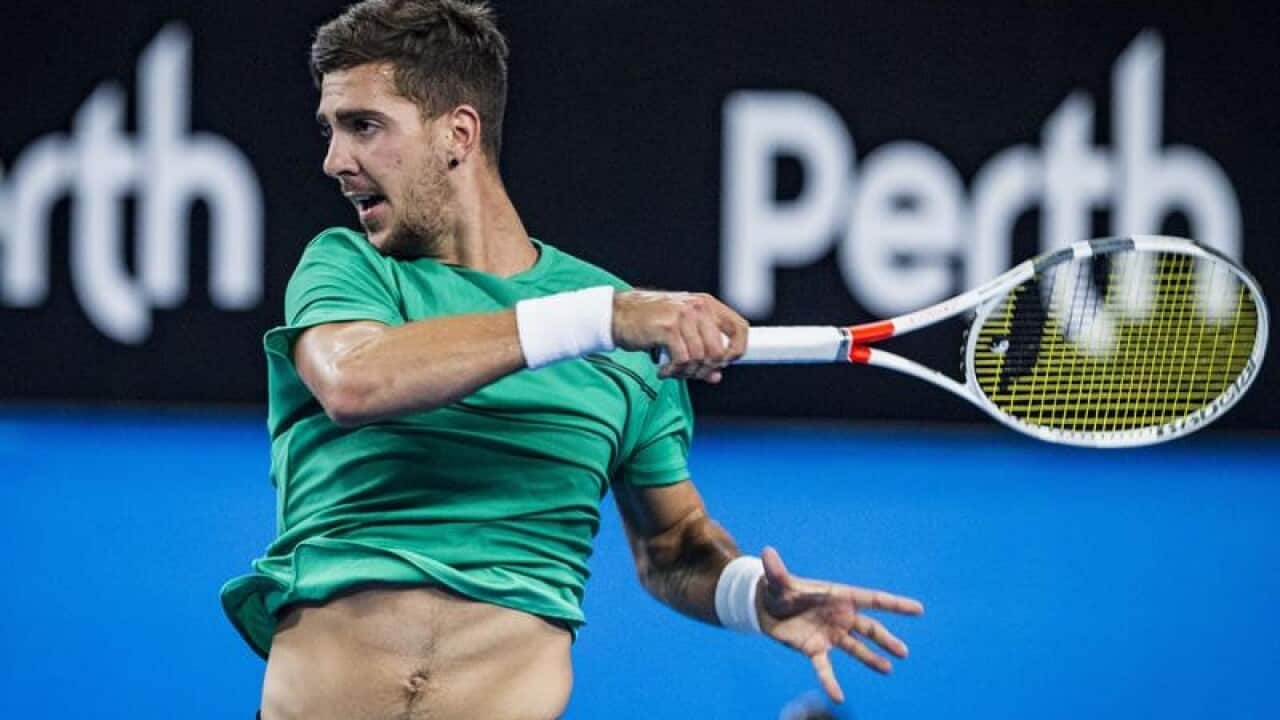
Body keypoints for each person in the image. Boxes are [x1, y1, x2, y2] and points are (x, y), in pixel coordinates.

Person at [220, 1, 924, 718]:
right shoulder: (350, 271)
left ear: (457, 134)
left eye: (363, 126)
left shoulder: (623, 339)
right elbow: (356, 379)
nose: (334, 161)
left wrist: (750, 597)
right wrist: (598, 319)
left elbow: (674, 549)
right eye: (331, 129)